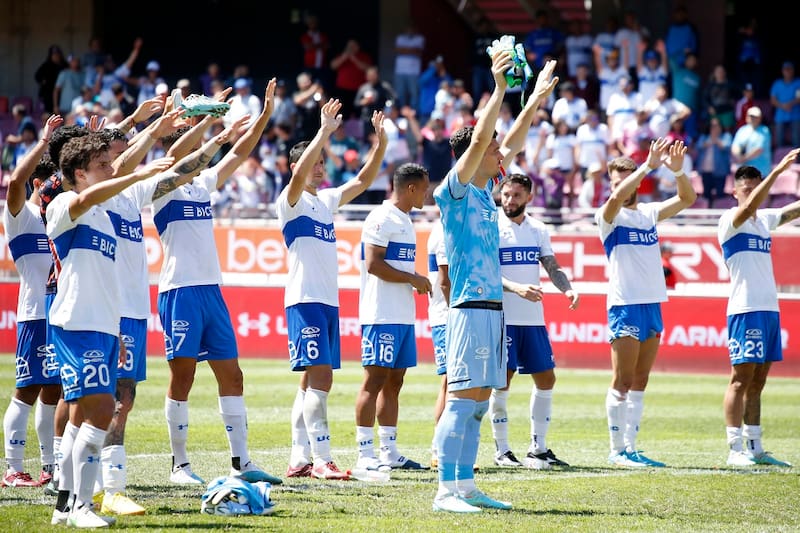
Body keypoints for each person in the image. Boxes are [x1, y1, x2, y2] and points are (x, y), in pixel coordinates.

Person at [94, 113, 242, 516]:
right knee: (94, 399)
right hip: (103, 309)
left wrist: (220, 137)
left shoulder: (134, 195)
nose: (118, 163)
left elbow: (183, 168)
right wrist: (149, 128)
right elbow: (158, 159)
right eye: (108, 160)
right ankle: (86, 482)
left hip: (133, 310)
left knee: (123, 397)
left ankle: (104, 487)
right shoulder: (96, 195)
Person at [431, 53, 558, 513]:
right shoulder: (457, 188)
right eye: (493, 149)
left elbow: (513, 140)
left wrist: (537, 98)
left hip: (493, 309)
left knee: (481, 404)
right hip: (466, 309)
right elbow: (486, 135)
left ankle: (466, 487)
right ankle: (446, 491)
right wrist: (500, 87)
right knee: (462, 403)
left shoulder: (487, 192)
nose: (502, 153)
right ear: (473, 154)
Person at [155, 80, 281, 486]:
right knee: (184, 378)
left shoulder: (203, 183)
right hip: (179, 290)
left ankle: (241, 462)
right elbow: (176, 157)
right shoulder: (161, 185)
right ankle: (179, 464)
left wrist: (263, 116)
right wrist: (210, 121)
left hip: (211, 290)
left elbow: (241, 152)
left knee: (233, 376)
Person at [47, 135, 173, 528]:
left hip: (102, 325)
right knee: (103, 408)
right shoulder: (66, 204)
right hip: (77, 324)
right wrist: (140, 173)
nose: (112, 169)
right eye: (103, 165)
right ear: (79, 174)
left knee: (84, 414)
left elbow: (106, 281)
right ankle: (83, 505)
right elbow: (85, 200)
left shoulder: (104, 218)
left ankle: (65, 506)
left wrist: (116, 332)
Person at [277, 100, 387, 480]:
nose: (321, 168)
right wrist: (324, 131)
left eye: (324, 162)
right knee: (322, 378)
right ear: (297, 167)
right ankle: (323, 460)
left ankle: (300, 457)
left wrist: (381, 144)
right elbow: (296, 180)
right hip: (305, 299)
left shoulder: (324, 201)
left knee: (310, 381)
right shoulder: (290, 201)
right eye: (315, 162)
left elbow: (362, 181)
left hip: (326, 302)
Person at [596, 138, 696, 469]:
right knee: (622, 379)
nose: (623, 186)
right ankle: (616, 449)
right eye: (617, 180)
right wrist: (646, 167)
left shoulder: (649, 214)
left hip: (652, 303)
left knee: (640, 379)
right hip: (624, 303)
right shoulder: (608, 217)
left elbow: (687, 198)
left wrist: (678, 170)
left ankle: (632, 447)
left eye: (626, 179)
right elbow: (614, 198)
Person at [490, 173, 579, 469]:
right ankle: (502, 451)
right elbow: (486, 272)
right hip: (504, 317)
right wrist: (515, 288)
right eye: (506, 195)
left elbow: (551, 265)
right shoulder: (492, 227)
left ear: (529, 197)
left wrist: (567, 288)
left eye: (516, 195)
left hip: (533, 319)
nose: (509, 200)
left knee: (546, 378)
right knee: (502, 381)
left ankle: (537, 448)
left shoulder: (538, 229)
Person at [718, 148, 800, 468]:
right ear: (735, 190)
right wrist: (778, 171)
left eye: (756, 187)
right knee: (740, 378)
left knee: (759, 381)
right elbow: (751, 206)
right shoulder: (730, 220)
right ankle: (733, 448)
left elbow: (792, 212)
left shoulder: (764, 221)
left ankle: (755, 446)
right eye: (747, 189)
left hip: (768, 308)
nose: (751, 194)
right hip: (745, 307)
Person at [354, 163, 431, 472]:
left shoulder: (405, 220)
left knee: (395, 382)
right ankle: (364, 453)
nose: (428, 194)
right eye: (424, 189)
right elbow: (373, 264)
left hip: (401, 314)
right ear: (410, 189)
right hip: (380, 313)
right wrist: (413, 278)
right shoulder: (381, 217)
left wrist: (411, 279)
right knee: (374, 380)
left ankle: (389, 451)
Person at [2, 115, 63, 489]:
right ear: (40, 184)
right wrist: (42, 143)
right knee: (25, 391)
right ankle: (12, 467)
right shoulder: (22, 219)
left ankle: (48, 466)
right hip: (33, 316)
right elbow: (13, 183)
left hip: (60, 315)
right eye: (52, 183)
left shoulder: (56, 217)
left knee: (52, 393)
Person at [425, 218, 450, 467]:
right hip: (447, 316)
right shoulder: (444, 231)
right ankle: (440, 448)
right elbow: (445, 281)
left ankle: (446, 446)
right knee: (451, 381)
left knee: (455, 381)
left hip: (453, 314)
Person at [769, 61, 800, 148]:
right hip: (781, 115)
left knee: (796, 140)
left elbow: (799, 98)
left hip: (795, 114)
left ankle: (796, 159)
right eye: (786, 69)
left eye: (790, 69)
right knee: (779, 139)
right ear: (782, 71)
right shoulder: (777, 83)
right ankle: (780, 159)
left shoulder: (798, 82)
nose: (788, 71)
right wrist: (783, 106)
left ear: (793, 70)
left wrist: (790, 104)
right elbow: (773, 100)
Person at [393, 25, 424, 109]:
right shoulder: (400, 38)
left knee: (414, 93)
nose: (410, 30)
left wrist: (404, 50)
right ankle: (401, 112)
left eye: (412, 29)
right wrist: (411, 50)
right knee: (400, 93)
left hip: (413, 72)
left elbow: (418, 51)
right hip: (400, 71)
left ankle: (413, 113)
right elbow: (397, 50)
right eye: (408, 29)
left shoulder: (419, 38)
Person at [35, 45, 67, 115]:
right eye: (54, 54)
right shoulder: (46, 65)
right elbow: (37, 76)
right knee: (48, 114)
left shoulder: (64, 65)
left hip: (61, 95)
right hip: (48, 94)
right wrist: (44, 81)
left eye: (57, 54)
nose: (56, 56)